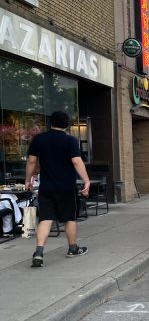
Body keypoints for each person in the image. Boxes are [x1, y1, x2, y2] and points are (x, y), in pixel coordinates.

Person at [25, 111, 91, 268]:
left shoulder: (39, 139)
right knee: (69, 217)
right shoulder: (70, 141)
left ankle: (39, 253)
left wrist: (27, 179)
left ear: (51, 123)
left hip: (46, 186)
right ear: (66, 124)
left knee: (46, 218)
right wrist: (86, 180)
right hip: (66, 186)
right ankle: (73, 249)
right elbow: (76, 161)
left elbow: (31, 161)